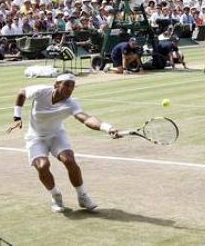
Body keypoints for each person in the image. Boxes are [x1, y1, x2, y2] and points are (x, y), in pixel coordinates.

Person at [6, 73, 120, 212]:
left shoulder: (71, 103)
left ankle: (82, 196)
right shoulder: (41, 91)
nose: (69, 89)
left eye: (72, 86)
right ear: (56, 84)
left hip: (57, 135)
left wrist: (107, 128)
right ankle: (55, 196)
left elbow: (86, 118)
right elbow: (21, 93)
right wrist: (17, 117)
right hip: (35, 137)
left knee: (69, 160)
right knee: (43, 166)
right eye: (66, 85)